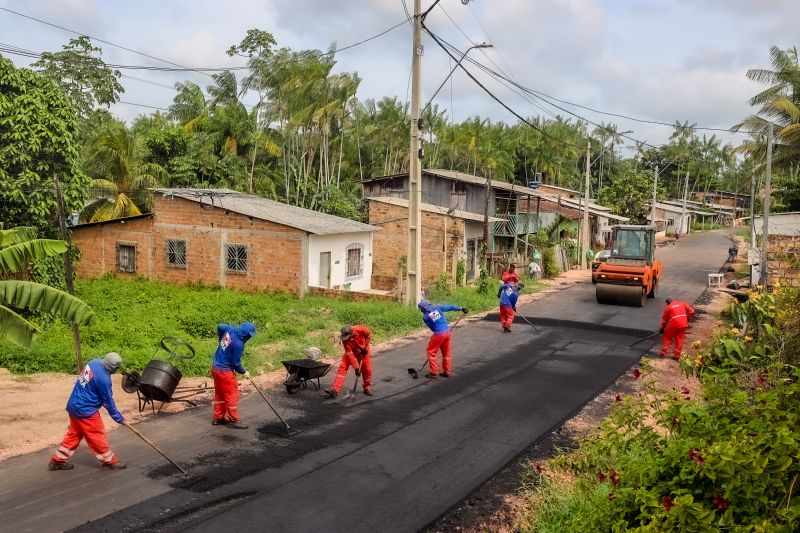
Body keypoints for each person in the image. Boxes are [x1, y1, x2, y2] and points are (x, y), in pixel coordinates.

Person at [49, 353, 126, 471]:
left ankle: (57, 460)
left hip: (73, 405)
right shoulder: (104, 380)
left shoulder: (93, 362)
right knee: (97, 436)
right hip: (86, 411)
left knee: (74, 434)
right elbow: (108, 401)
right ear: (113, 368)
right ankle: (109, 462)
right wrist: (119, 418)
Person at [212, 322, 256, 429]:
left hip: (215, 368)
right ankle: (234, 420)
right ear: (246, 334)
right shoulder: (239, 344)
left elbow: (220, 326)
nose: (249, 337)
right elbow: (235, 363)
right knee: (232, 395)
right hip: (225, 372)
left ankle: (218, 418)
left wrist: (220, 340)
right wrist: (244, 372)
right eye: (249, 335)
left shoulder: (230, 329)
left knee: (220, 394)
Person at [418, 300, 468, 378]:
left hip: (439, 334)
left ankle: (434, 372)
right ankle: (447, 372)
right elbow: (450, 307)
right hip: (447, 333)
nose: (421, 311)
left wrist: (438, 335)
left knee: (431, 351)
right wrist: (461, 308)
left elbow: (432, 328)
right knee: (446, 353)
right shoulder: (437, 308)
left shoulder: (425, 317)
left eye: (421, 310)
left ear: (423, 309)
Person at [325, 325, 373, 398]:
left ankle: (367, 388)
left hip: (363, 351)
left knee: (367, 369)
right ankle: (335, 390)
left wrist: (365, 347)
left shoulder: (360, 329)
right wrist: (356, 368)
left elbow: (369, 335)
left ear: (351, 333)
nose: (345, 339)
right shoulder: (345, 340)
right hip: (352, 352)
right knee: (342, 367)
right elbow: (350, 354)